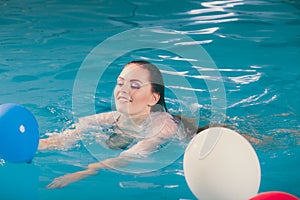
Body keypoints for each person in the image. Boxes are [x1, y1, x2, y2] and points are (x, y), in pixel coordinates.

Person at [39, 60, 201, 189]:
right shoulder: (112, 117)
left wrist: (90, 170)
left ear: (153, 98)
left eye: (135, 86)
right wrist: (33, 145)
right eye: (120, 83)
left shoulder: (163, 126)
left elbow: (133, 155)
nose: (123, 90)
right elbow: (63, 139)